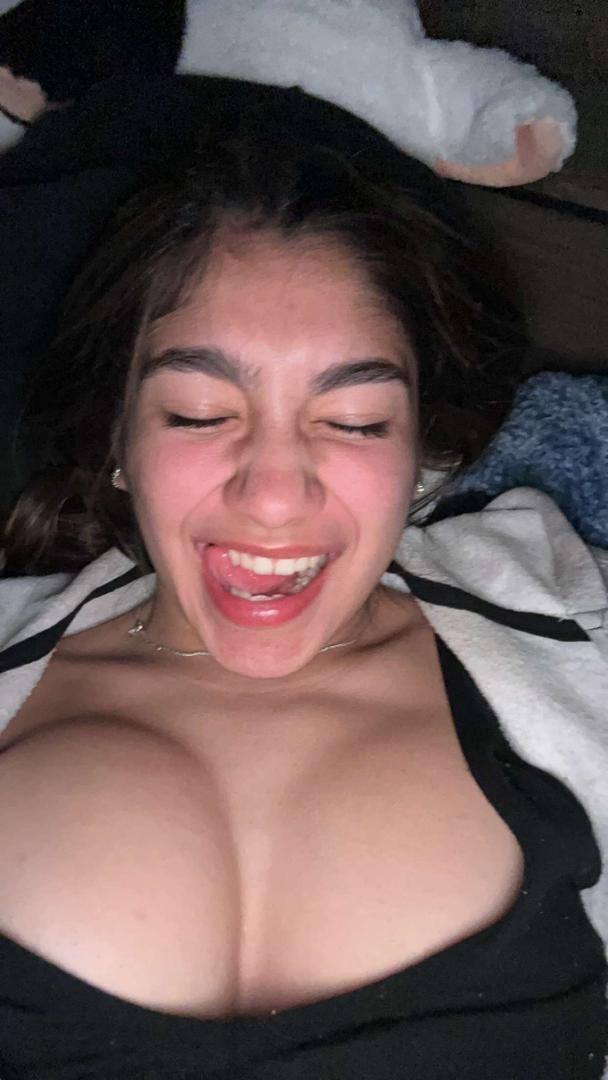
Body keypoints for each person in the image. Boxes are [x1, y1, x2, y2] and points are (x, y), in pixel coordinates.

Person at [0, 136, 606, 1080]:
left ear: (418, 455)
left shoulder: (578, 633)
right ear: (117, 437)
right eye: (199, 412)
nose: (276, 496)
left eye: (356, 422)